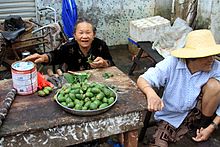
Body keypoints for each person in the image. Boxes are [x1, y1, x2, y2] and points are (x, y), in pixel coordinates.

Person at [137, 29, 220, 146]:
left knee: (215, 86)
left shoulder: (215, 66)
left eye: (213, 55)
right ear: (192, 57)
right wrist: (151, 94)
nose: (212, 59)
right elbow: (143, 79)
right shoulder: (172, 63)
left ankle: (203, 124)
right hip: (170, 116)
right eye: (207, 56)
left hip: (195, 112)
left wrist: (211, 127)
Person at [23, 18, 114, 71]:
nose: (84, 36)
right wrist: (43, 57)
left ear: (94, 35)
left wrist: (104, 63)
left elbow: (111, 63)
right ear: (74, 35)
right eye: (81, 33)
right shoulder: (68, 47)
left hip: (96, 83)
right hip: (73, 84)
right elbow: (56, 56)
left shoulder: (100, 45)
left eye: (88, 32)